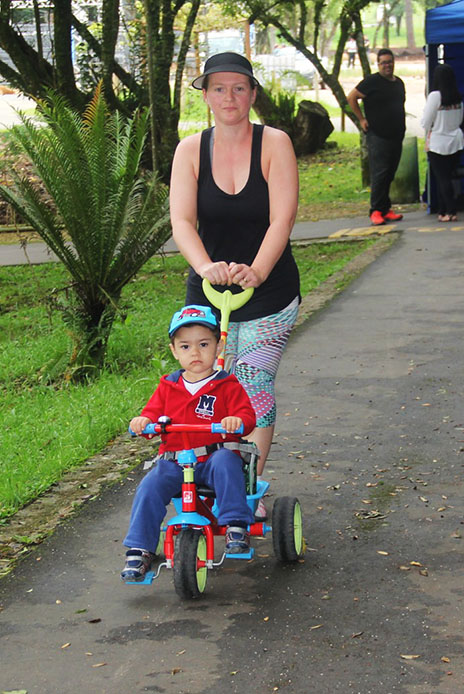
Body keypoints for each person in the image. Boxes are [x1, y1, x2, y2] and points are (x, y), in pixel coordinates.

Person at [170, 51, 300, 520]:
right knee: (205, 385)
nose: (230, 97)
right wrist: (205, 266)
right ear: (206, 96)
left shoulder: (275, 143)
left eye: (239, 88)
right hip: (208, 292)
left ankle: (246, 491)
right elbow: (182, 221)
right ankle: (210, 483)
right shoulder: (190, 150)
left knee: (252, 385)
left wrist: (258, 270)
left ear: (252, 94)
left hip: (269, 291)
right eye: (219, 88)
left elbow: (282, 217)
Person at [121, 305, 259, 582]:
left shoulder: (227, 385)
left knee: (226, 462)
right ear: (174, 351)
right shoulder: (168, 386)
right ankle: (140, 547)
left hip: (213, 458)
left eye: (203, 344)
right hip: (176, 461)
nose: (195, 352)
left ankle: (235, 523)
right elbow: (151, 415)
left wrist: (236, 420)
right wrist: (143, 422)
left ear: (219, 347)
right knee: (150, 485)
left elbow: (247, 417)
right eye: (185, 346)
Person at [347, 48, 407, 226]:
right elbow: (352, 97)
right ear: (378, 64)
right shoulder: (372, 82)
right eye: (384, 63)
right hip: (378, 135)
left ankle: (385, 208)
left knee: (390, 173)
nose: (387, 66)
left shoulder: (399, 83)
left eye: (390, 62)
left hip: (396, 135)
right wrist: (361, 119)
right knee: (380, 173)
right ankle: (375, 210)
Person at [421, 62, 464, 223]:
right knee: (448, 177)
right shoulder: (458, 97)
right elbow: (460, 119)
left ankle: (451, 211)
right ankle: (443, 211)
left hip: (438, 143)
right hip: (456, 141)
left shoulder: (435, 96)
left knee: (442, 179)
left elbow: (425, 121)